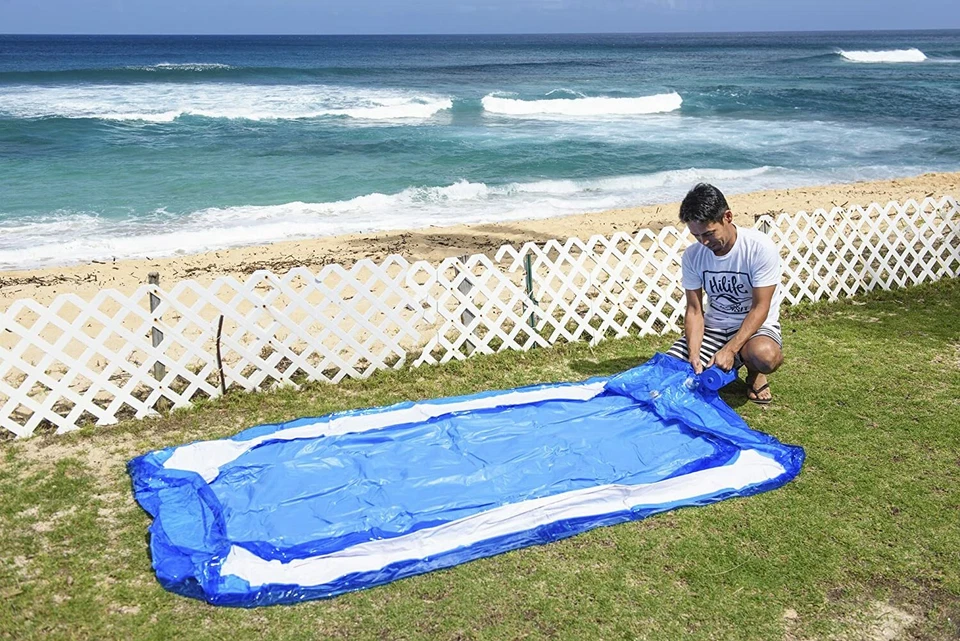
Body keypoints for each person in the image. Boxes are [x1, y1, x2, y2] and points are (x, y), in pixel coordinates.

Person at [666, 183, 784, 404]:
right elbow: (694, 310)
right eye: (696, 235)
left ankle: (754, 372)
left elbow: (761, 307)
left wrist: (730, 350)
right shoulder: (693, 255)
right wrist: (693, 353)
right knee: (673, 367)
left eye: (709, 233)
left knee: (765, 356)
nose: (704, 242)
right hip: (716, 326)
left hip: (757, 327)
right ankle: (725, 360)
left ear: (727, 217)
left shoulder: (759, 248)